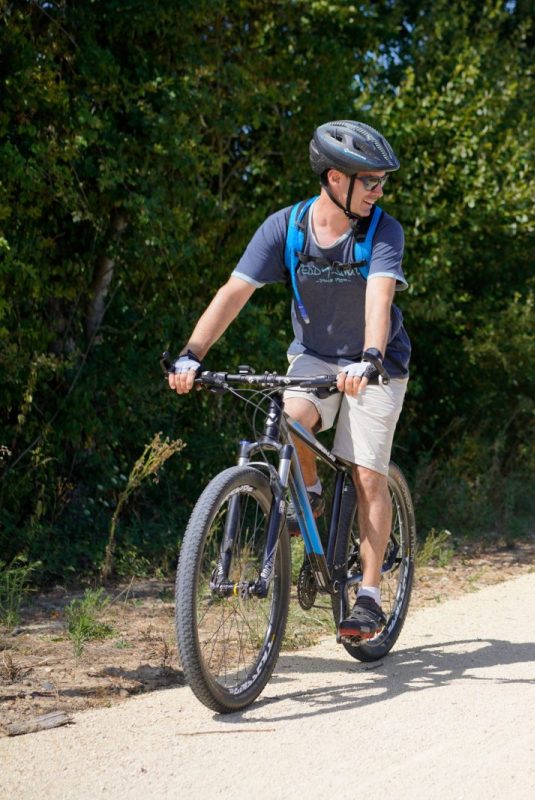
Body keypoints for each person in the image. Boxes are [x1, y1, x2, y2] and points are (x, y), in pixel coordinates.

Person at [167, 120, 411, 639]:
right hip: (315, 357)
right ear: (333, 178)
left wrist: (368, 358)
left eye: (381, 181)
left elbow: (379, 298)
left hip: (377, 364)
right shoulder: (287, 227)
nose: (379, 190)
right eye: (369, 180)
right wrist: (191, 354)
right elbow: (235, 291)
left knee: (367, 471)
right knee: (290, 422)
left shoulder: (382, 230)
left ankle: (367, 595)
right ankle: (314, 492)